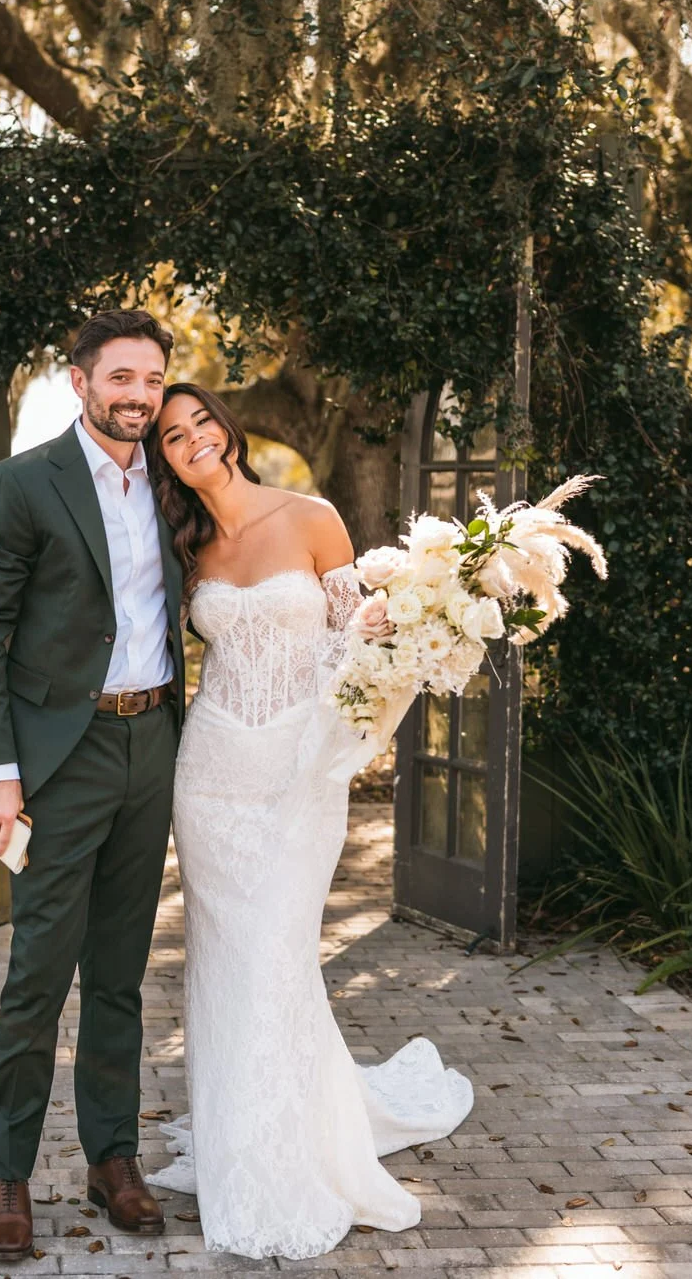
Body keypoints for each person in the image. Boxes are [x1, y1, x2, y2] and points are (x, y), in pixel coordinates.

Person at [140, 380, 475, 1259]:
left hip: (300, 770)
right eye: (173, 436)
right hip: (211, 775)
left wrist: (391, 621)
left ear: (227, 427)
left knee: (277, 954)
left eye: (200, 421)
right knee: (226, 958)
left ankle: (291, 1148)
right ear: (165, 458)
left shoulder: (313, 514)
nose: (192, 439)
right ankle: (240, 1137)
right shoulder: (185, 547)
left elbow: (355, 647)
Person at [0, 310, 182, 1262]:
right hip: (60, 755)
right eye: (121, 377)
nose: (138, 395)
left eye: (153, 380)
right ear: (81, 380)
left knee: (122, 973)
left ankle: (112, 1158)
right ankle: (8, 1174)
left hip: (153, 741)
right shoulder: (22, 484)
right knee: (40, 972)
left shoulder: (174, 482)